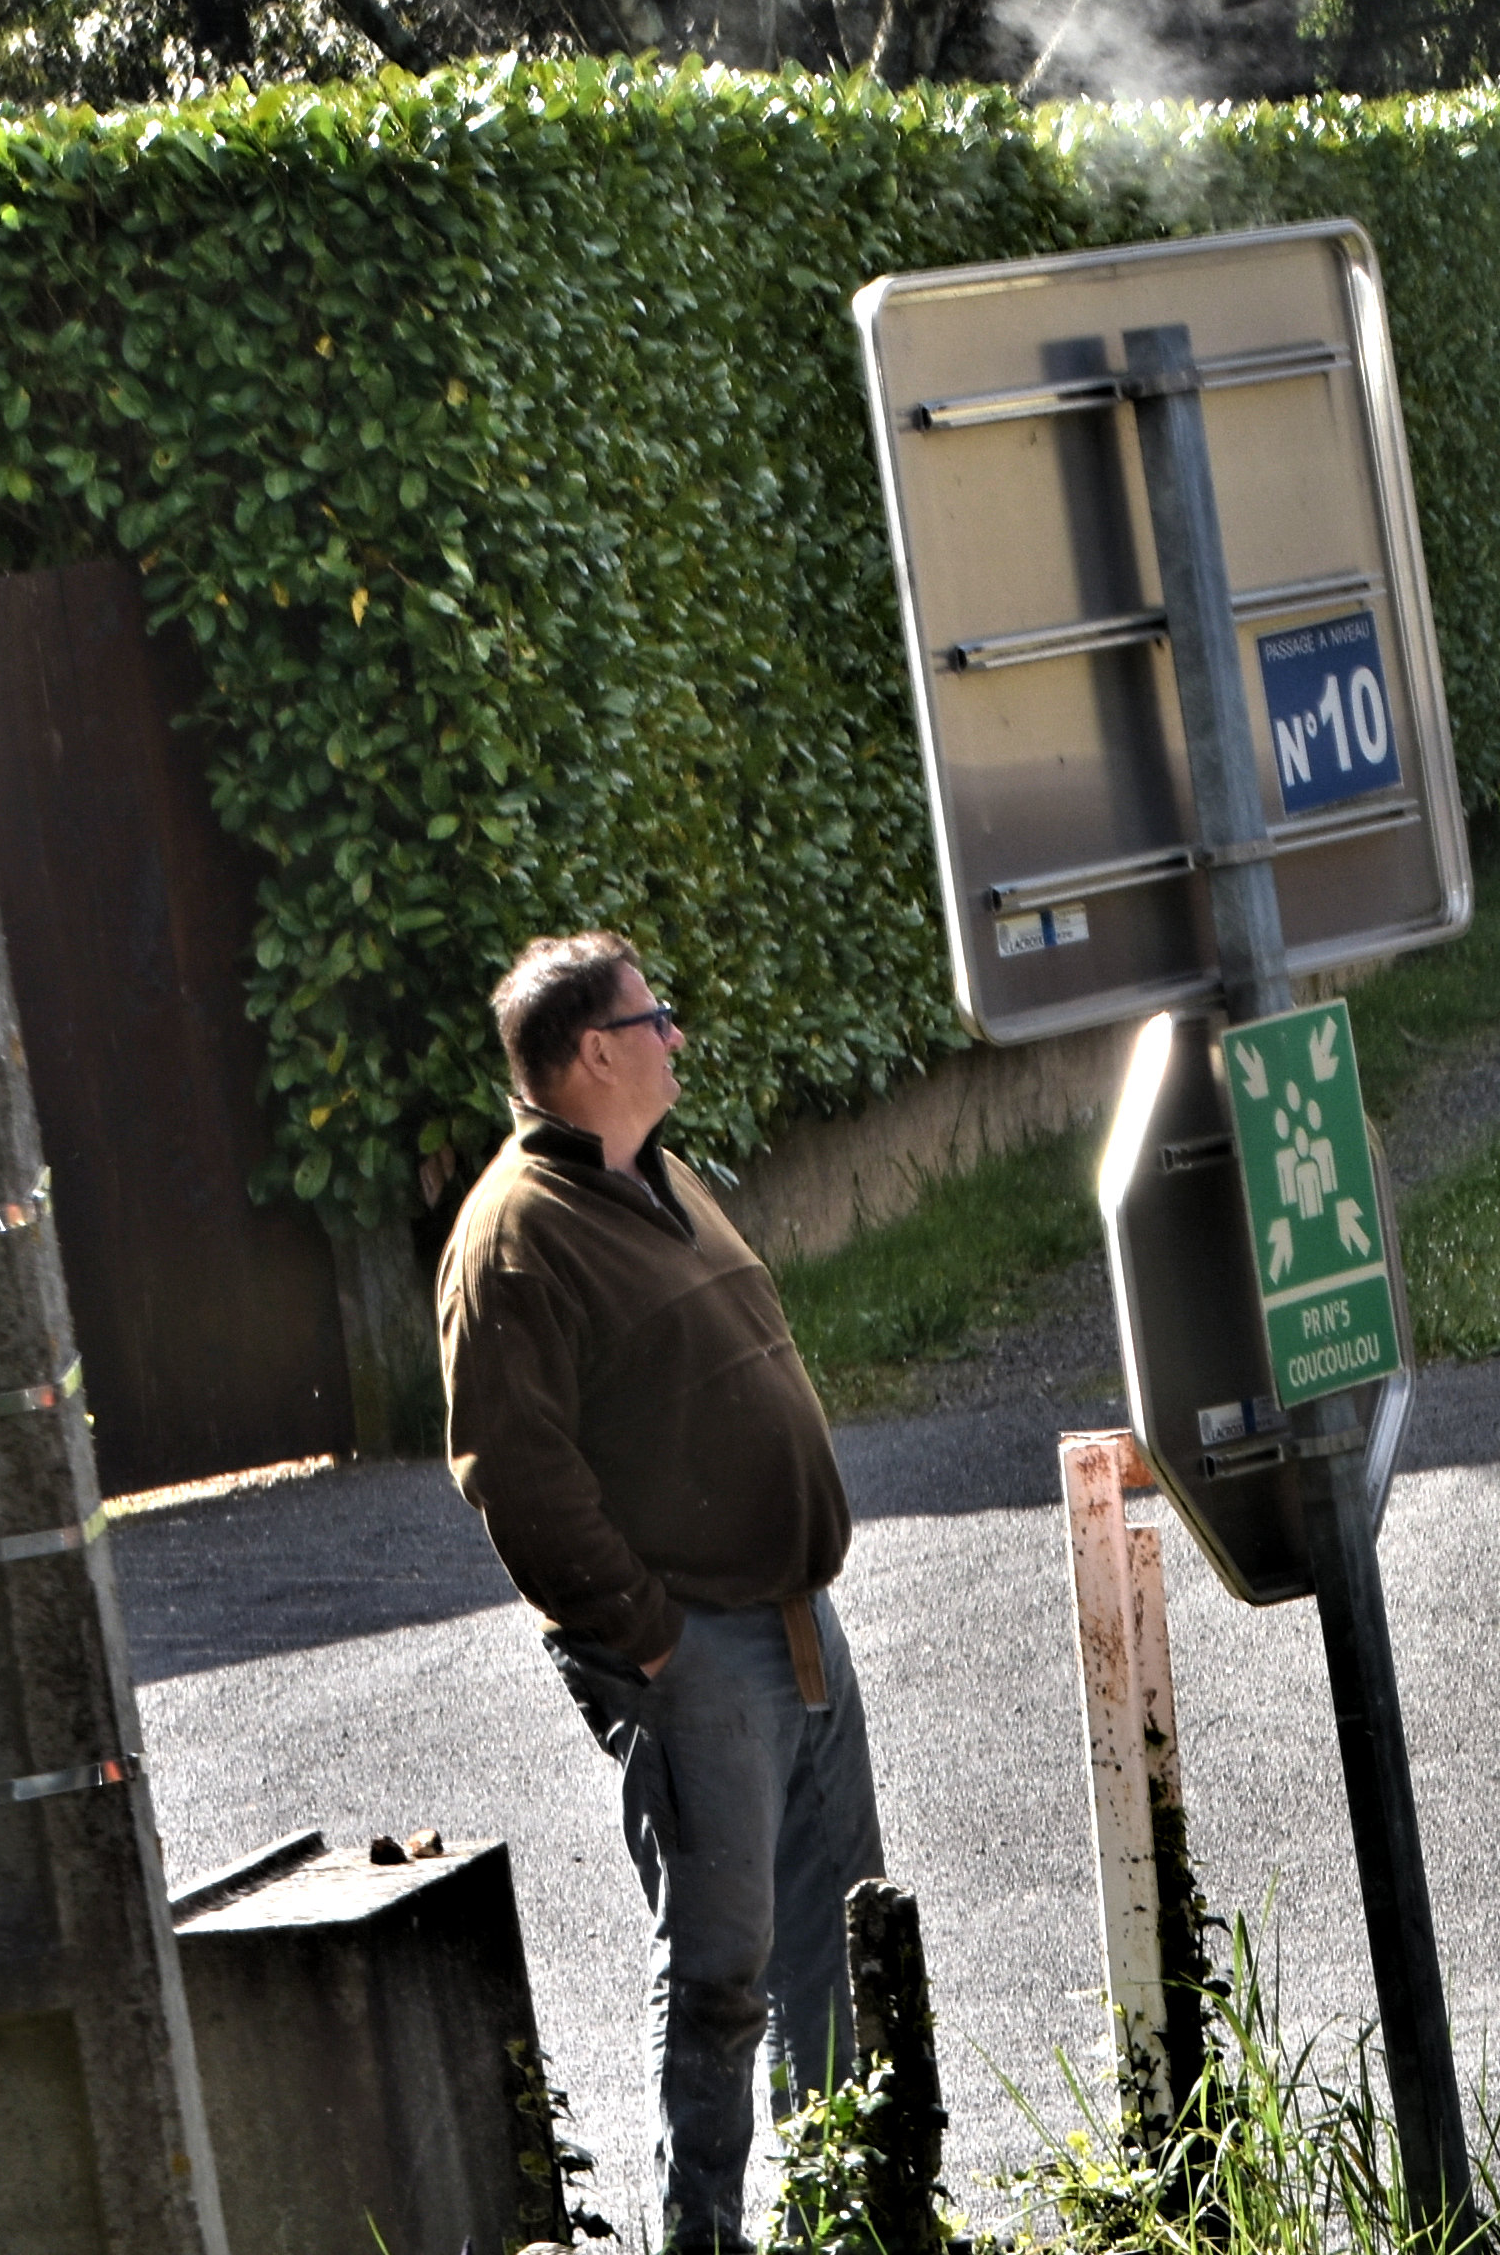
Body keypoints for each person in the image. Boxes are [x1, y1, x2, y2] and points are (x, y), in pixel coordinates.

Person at [437, 931, 883, 2253]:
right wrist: (653, 1641)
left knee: (838, 1936)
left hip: (796, 1624)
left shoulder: (653, 1177)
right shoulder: (516, 1237)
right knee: (723, 1968)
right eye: (654, 1018)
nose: (675, 1037)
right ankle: (707, 2238)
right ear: (591, 1054)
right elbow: (516, 1475)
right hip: (697, 1652)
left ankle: (845, 2213)